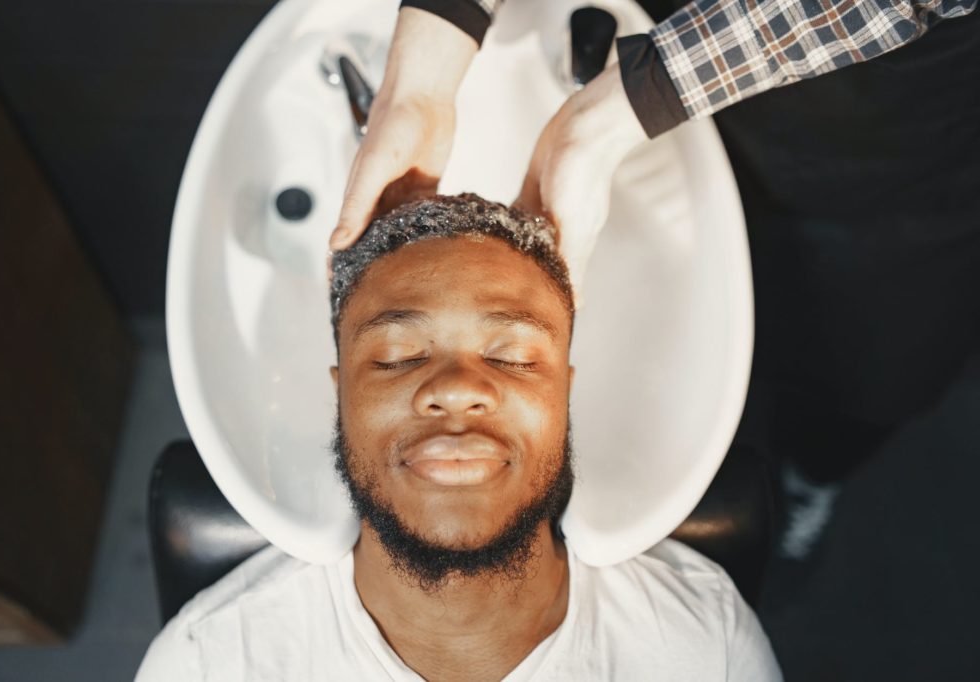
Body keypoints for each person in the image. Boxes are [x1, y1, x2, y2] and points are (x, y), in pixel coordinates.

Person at [331, 0, 980, 562]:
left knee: (873, 366)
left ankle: (813, 470)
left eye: (508, 351)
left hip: (884, 140)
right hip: (667, 49)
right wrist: (418, 83)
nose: (458, 393)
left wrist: (628, 104)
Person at [136, 194, 782, 680]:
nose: (455, 387)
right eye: (394, 355)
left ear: (564, 392)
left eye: (514, 356)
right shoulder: (209, 664)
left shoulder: (704, 647)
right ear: (340, 393)